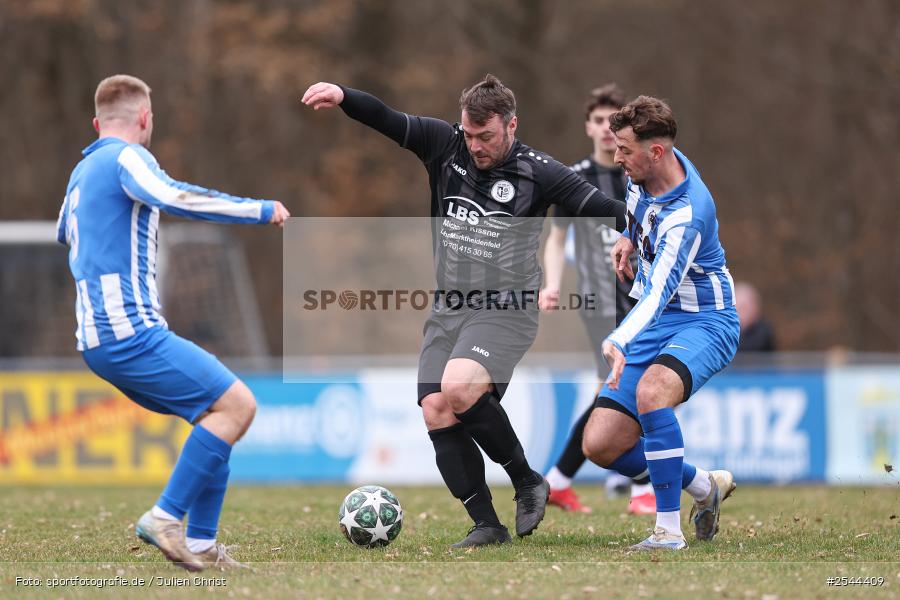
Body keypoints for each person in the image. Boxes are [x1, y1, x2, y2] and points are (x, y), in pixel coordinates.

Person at [302, 75, 625, 548]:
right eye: (469, 134)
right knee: (436, 408)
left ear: (511, 125)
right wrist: (345, 97)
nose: (475, 145)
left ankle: (527, 480)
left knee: (458, 386)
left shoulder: (541, 171)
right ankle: (487, 525)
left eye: (486, 136)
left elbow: (602, 206)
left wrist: (649, 226)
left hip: (507, 307)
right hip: (449, 306)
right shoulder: (445, 145)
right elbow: (387, 119)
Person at [56, 75, 290, 570]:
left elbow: (64, 233)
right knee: (239, 406)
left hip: (97, 337)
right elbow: (173, 196)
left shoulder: (80, 173)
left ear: (97, 123)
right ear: (144, 119)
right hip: (130, 332)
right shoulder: (128, 157)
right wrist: (258, 209)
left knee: (215, 415)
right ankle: (166, 517)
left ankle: (202, 544)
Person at [580, 95, 738, 550]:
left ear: (656, 151)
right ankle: (704, 487)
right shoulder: (647, 169)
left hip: (705, 322)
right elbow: (638, 209)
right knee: (601, 445)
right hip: (658, 318)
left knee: (652, 394)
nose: (616, 158)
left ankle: (667, 532)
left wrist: (617, 338)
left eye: (624, 149)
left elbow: (657, 293)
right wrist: (629, 237)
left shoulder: (688, 216)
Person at [539, 84, 655, 516]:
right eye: (599, 121)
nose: (607, 129)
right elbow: (557, 239)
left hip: (643, 299)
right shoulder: (573, 179)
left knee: (617, 389)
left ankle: (559, 480)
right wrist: (552, 283)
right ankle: (641, 487)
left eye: (614, 122)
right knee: (629, 383)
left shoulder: (638, 174)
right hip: (598, 301)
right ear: (588, 126)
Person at [734, 281, 776, 352]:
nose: (738, 313)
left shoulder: (764, 332)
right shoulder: (722, 330)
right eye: (735, 308)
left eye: (743, 307)